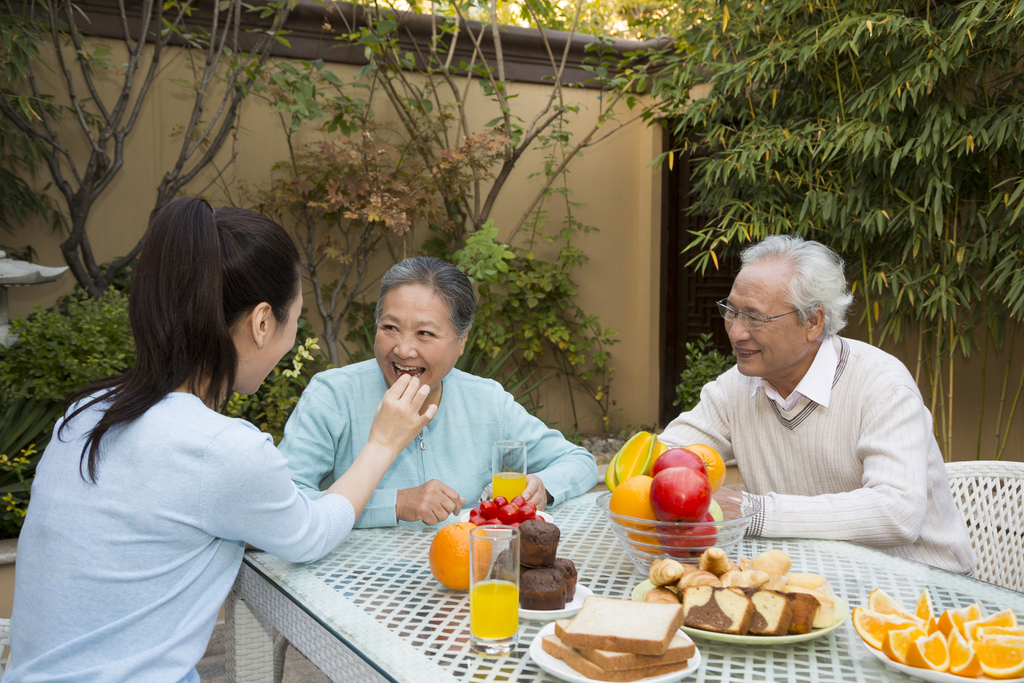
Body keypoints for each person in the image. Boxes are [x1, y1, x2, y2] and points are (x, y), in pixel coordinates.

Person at [7, 198, 434, 682]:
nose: (293, 335)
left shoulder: (87, 414)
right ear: (262, 323)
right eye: (295, 317)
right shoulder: (220, 449)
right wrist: (383, 442)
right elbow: (311, 534)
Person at [659, 234, 976, 575]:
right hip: (817, 577)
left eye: (755, 317)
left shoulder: (882, 384)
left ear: (813, 321)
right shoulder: (736, 386)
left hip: (925, 587)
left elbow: (897, 512)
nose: (735, 332)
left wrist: (754, 512)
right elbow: (665, 456)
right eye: (731, 312)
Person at [280, 256, 599, 527]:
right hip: (349, 586)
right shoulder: (332, 395)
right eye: (390, 328)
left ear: (462, 340)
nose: (404, 350)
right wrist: (397, 504)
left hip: (464, 579)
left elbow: (578, 461)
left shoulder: (487, 401)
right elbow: (284, 503)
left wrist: (542, 487)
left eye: (425, 333)